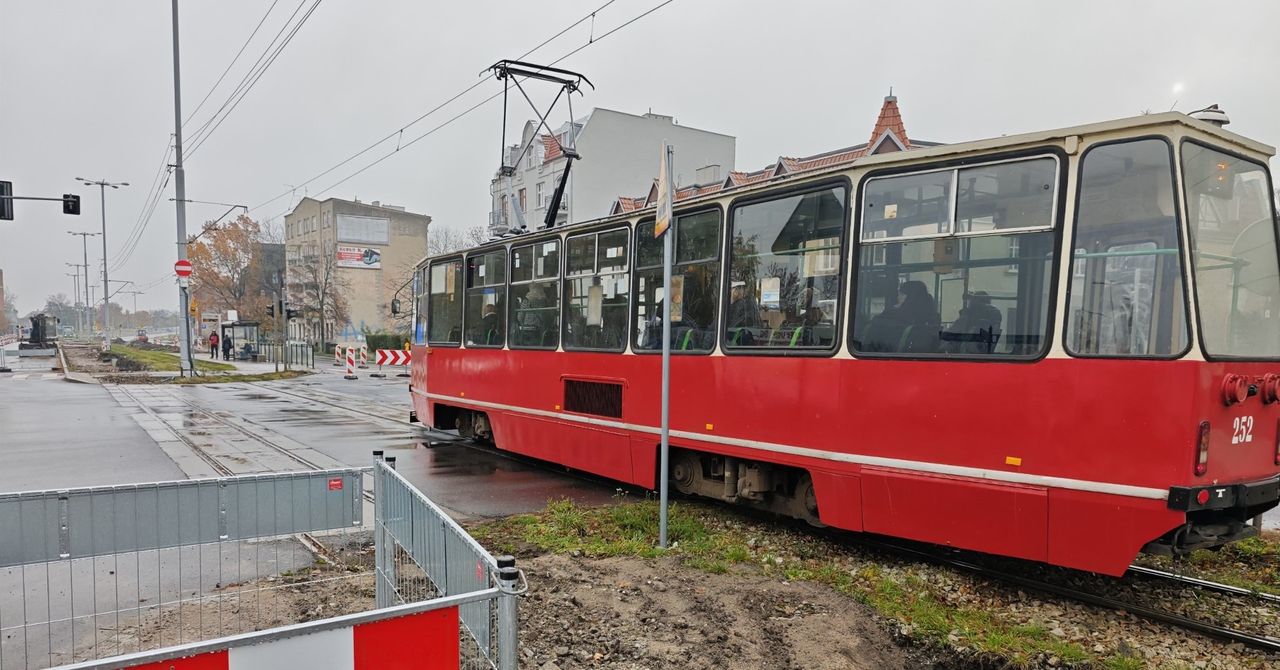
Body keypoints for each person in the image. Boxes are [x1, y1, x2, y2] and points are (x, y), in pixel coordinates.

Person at [862, 280, 940, 352]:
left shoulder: (891, 316)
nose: (897, 297)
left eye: (901, 294)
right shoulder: (930, 319)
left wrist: (892, 310)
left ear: (910, 297)